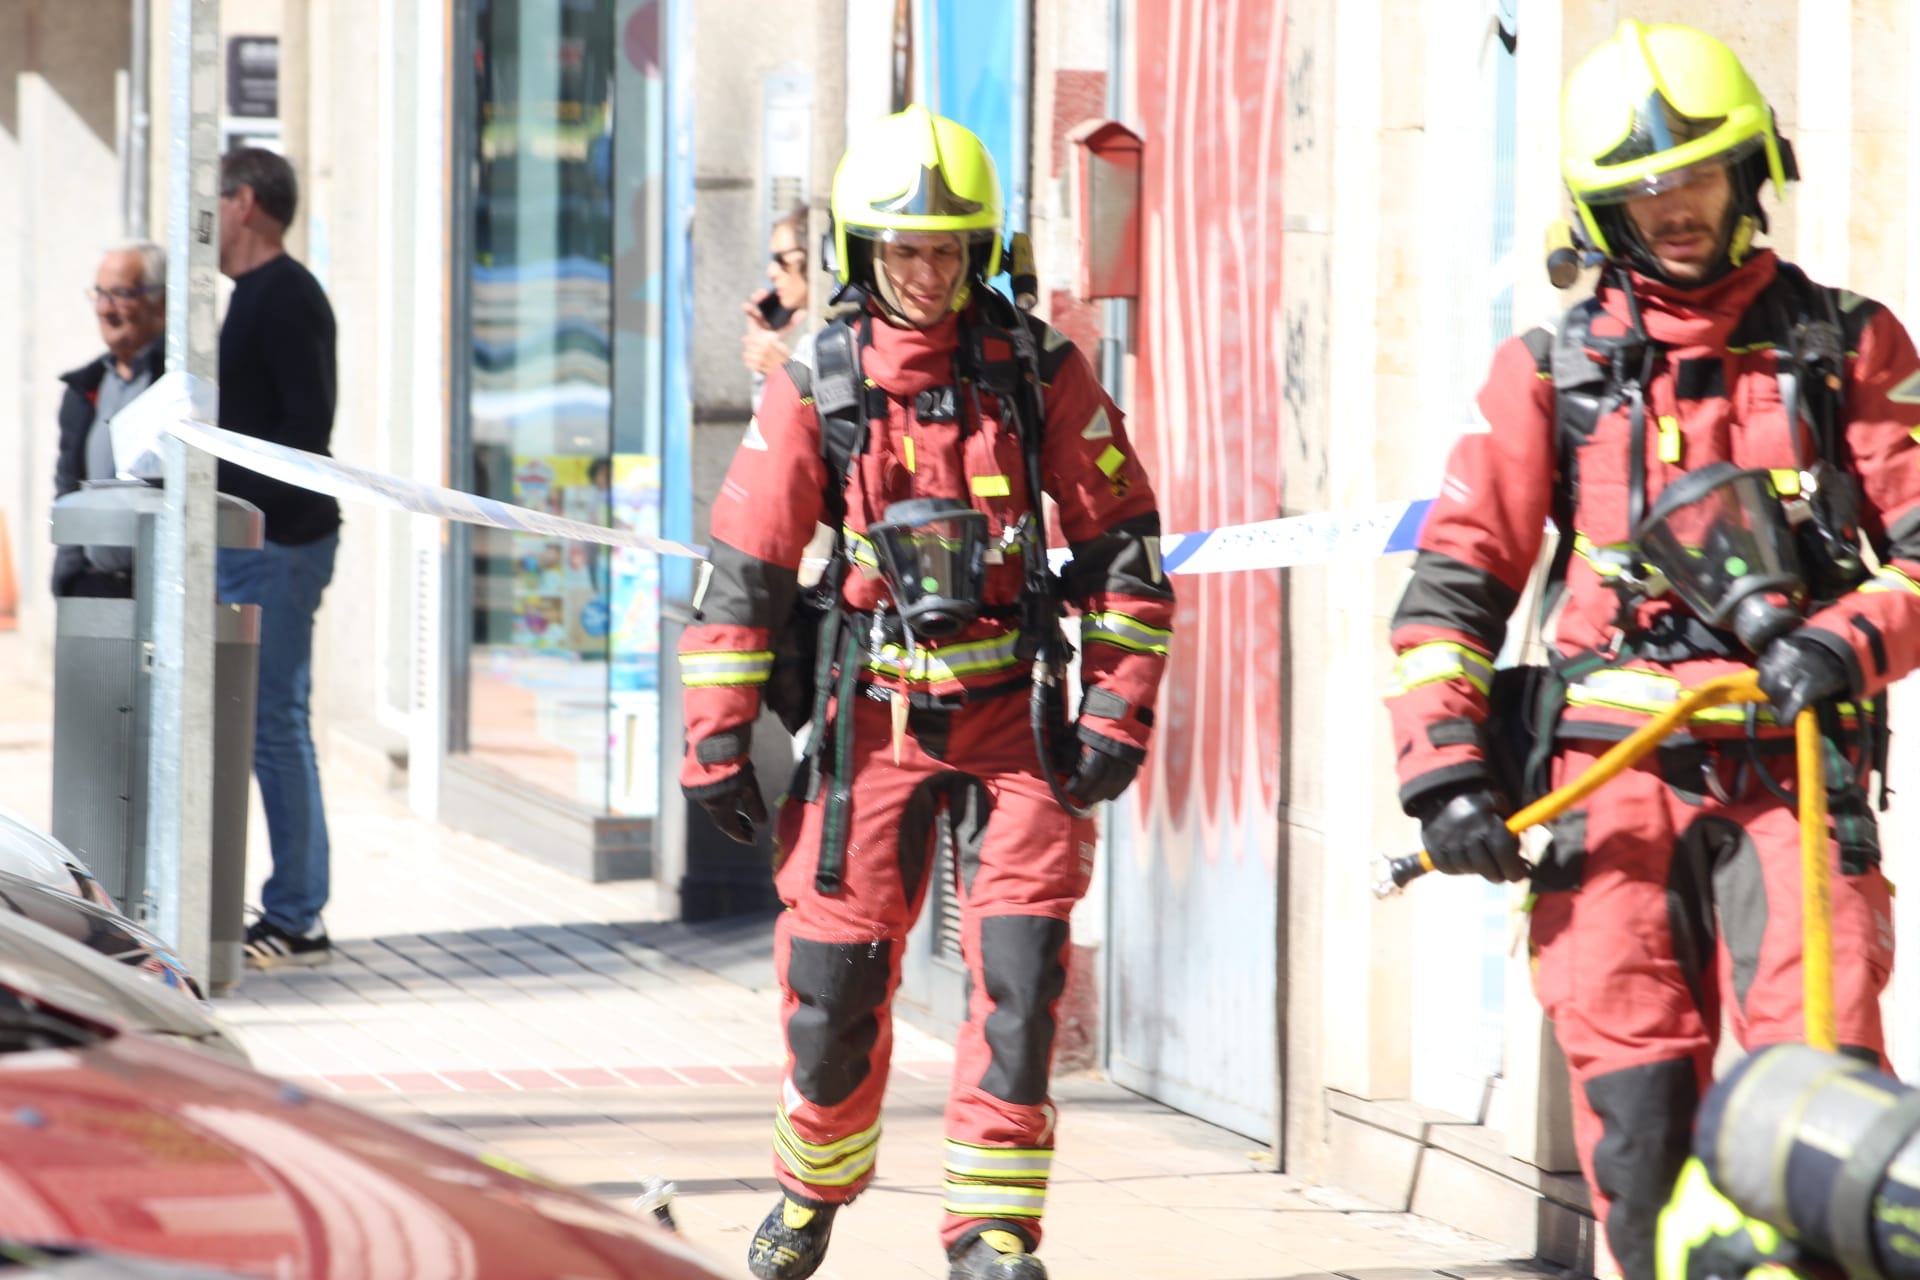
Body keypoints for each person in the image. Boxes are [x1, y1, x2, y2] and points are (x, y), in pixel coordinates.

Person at [1385, 21, 1920, 1280]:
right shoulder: (1550, 372)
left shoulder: (1848, 347)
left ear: (1750, 174)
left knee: (1820, 1121)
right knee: (1634, 1140)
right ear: (1602, 207)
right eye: (1643, 187)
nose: (1673, 206)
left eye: (1697, 174)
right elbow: (1453, 592)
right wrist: (1448, 776)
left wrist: (1847, 642)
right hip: (1605, 796)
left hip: (1796, 779)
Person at [678, 105, 1172, 1280]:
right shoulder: (819, 387)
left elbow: (1124, 547)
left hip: (1016, 722)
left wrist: (1115, 707)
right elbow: (745, 568)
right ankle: (811, 1188)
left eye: (949, 250)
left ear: (979, 252)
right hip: (872, 724)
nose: (928, 273)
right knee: (832, 987)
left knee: (1020, 977)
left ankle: (991, 1230)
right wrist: (715, 740)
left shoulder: (1035, 369)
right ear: (864, 254)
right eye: (904, 251)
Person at [214, 147, 342, 970]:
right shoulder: (247, 299)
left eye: (214, 198)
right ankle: (289, 905)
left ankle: (298, 914)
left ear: (247, 203)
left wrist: (263, 527)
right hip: (252, 542)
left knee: (276, 726)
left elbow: (306, 434)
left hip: (280, 545)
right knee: (262, 726)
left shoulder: (286, 298)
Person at [52, 241, 169, 598]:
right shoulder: (86, 388)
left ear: (160, 301)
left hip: (159, 587)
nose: (104, 309)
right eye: (100, 294)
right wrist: (69, 574)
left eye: (120, 294)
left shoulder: (175, 384)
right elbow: (68, 485)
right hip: (93, 585)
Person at [742, 202, 812, 407]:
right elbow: (766, 426)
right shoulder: (803, 339)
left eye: (781, 259)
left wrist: (785, 375)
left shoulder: (840, 335)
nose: (772, 272)